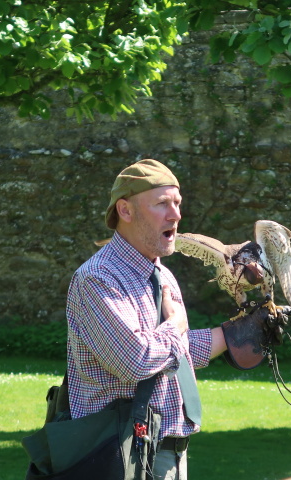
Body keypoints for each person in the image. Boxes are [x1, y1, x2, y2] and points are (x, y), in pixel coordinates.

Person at [66, 159, 227, 480]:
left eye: (178, 203)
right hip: (119, 454)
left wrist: (232, 335)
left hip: (167, 450)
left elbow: (171, 356)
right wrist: (176, 326)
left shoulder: (161, 274)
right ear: (125, 211)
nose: (176, 215)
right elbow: (135, 360)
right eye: (162, 204)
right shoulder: (99, 278)